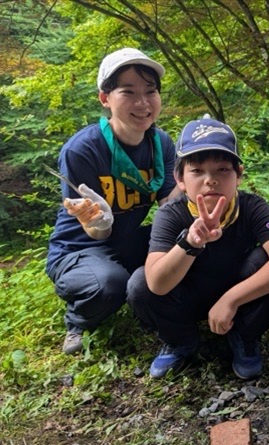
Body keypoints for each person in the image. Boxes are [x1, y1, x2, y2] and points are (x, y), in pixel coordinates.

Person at [126, 116, 269, 379]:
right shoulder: (171, 215)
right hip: (188, 294)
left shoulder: (251, 206)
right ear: (180, 179)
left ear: (238, 175)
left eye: (222, 170)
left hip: (237, 293)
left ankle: (244, 336)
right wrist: (190, 243)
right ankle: (180, 340)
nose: (210, 180)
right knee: (139, 283)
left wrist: (231, 299)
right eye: (197, 171)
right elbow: (156, 284)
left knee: (267, 258)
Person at [46, 48, 179, 355]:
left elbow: (168, 202)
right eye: (128, 92)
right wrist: (99, 222)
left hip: (127, 241)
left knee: (186, 249)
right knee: (110, 284)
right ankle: (77, 320)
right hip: (80, 248)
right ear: (105, 98)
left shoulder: (161, 143)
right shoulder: (83, 149)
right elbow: (95, 231)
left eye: (150, 91)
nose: (143, 103)